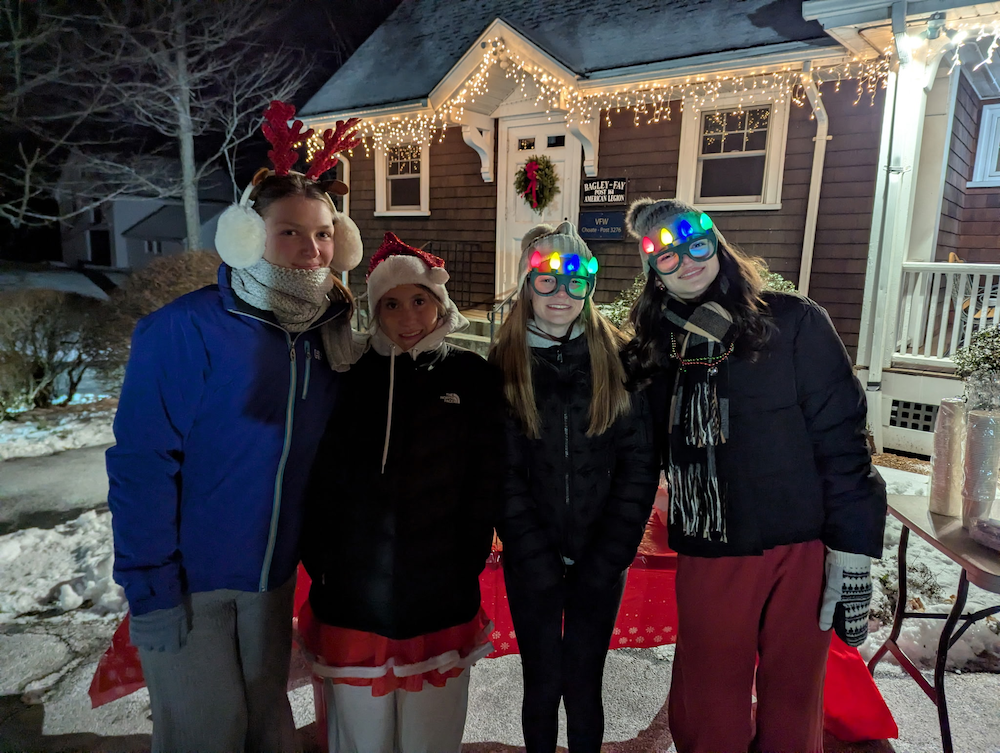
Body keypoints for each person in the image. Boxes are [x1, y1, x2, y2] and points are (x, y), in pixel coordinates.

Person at [106, 136, 364, 751]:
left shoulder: (326, 335)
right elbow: (141, 465)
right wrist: (152, 591)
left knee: (268, 724)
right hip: (190, 581)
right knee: (205, 733)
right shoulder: (184, 329)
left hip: (271, 580)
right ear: (247, 237)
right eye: (289, 232)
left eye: (324, 233)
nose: (312, 249)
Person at [622, 198, 887, 753]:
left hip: (799, 542)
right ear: (652, 270)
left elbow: (841, 435)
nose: (686, 262)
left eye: (696, 244)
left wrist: (852, 546)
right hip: (711, 545)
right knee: (710, 698)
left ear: (716, 244)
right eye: (666, 256)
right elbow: (637, 452)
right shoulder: (652, 348)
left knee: (793, 695)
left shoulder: (791, 322)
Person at [299, 232, 506, 753]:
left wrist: (466, 559)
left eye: (419, 300)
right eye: (391, 304)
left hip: (441, 594)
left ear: (440, 303)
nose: (407, 316)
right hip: (353, 597)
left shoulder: (473, 376)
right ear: (375, 311)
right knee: (361, 738)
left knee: (429, 736)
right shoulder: (346, 378)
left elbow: (487, 479)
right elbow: (320, 480)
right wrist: (322, 563)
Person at [489, 221, 658, 753]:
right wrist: (530, 552)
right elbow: (501, 472)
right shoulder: (504, 364)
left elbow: (638, 465)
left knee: (584, 685)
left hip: (599, 556)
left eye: (575, 281)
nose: (561, 294)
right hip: (531, 559)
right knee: (541, 685)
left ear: (589, 287)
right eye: (547, 281)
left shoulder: (619, 358)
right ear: (527, 285)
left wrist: (609, 556)